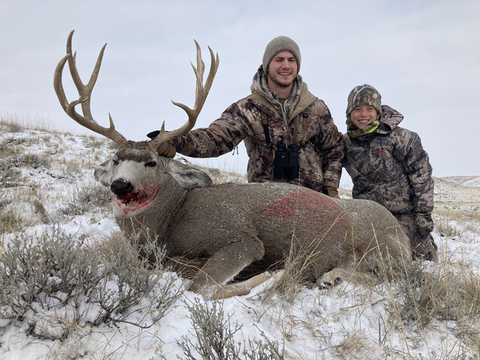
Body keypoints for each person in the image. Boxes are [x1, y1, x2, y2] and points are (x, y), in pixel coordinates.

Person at [148, 36, 344, 196]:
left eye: (291, 60)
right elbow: (215, 138)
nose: (286, 65)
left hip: (313, 204)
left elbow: (334, 148)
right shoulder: (246, 109)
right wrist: (177, 142)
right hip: (264, 203)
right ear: (268, 65)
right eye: (279, 59)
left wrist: (330, 187)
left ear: (297, 65)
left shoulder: (316, 108)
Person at [342, 84, 438, 261]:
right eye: (357, 109)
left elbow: (421, 176)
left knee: (423, 262)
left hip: (403, 214)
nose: (364, 115)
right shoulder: (344, 143)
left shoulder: (403, 138)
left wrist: (423, 213)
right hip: (368, 217)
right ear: (349, 113)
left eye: (369, 109)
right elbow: (327, 163)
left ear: (378, 112)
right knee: (369, 260)